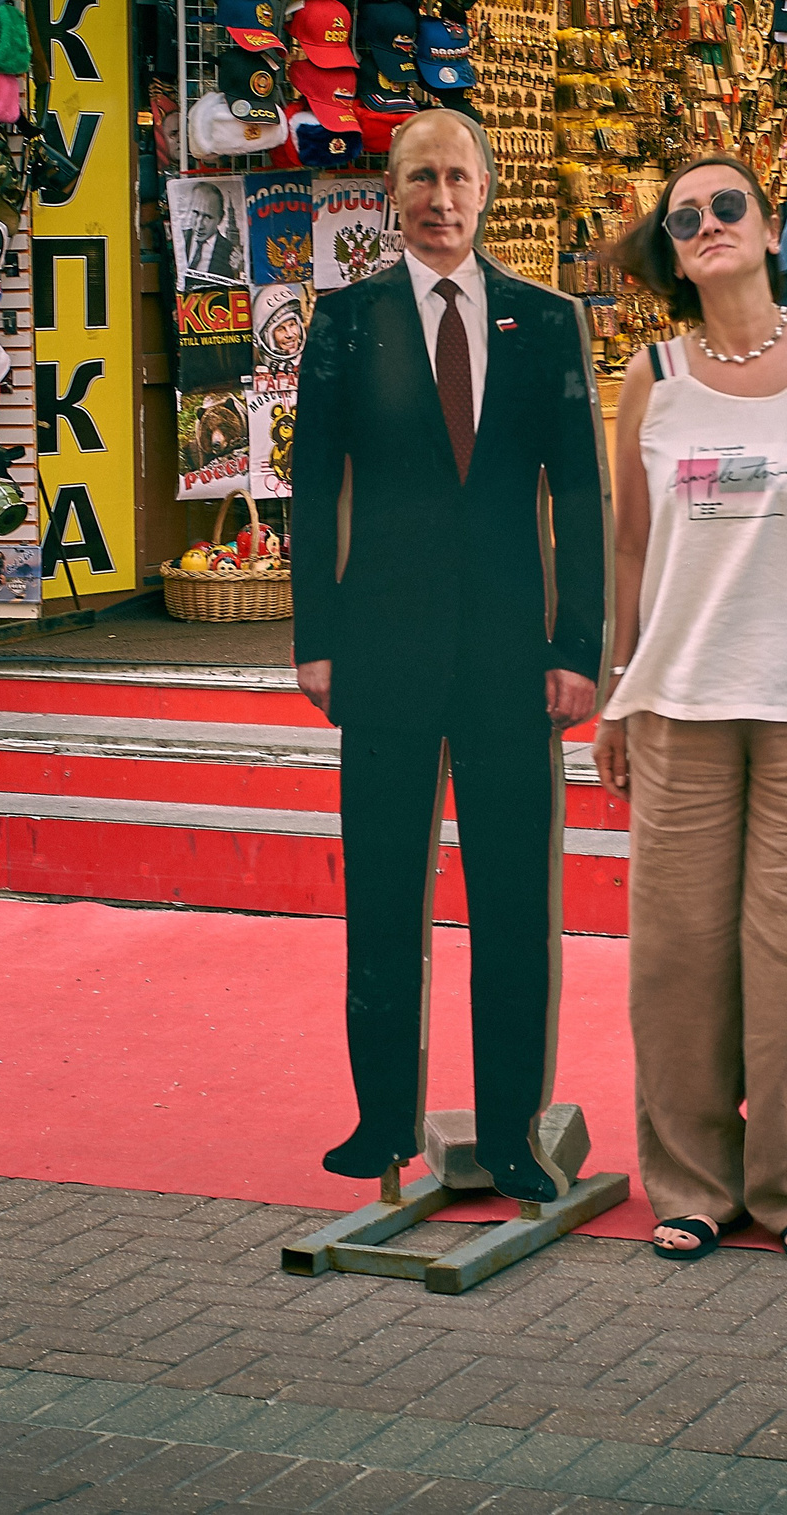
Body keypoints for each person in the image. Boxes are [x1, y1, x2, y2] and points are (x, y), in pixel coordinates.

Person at [289, 107, 608, 1202]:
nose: (439, 198)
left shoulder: (544, 321)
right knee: (381, 896)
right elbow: (309, 485)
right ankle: (381, 1122)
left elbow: (579, 493)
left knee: (513, 904)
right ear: (392, 190)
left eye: (457, 178)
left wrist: (579, 647)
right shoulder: (346, 321)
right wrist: (313, 640)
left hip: (514, 660)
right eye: (419, 177)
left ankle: (513, 1131)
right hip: (378, 647)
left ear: (486, 189)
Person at [595, 155, 787, 1264]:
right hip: (677, 698)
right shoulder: (651, 376)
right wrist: (615, 692)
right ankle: (692, 1182)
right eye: (685, 217)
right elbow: (630, 546)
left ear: (771, 232)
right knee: (675, 958)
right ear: (672, 251)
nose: (708, 223)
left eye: (728, 207)